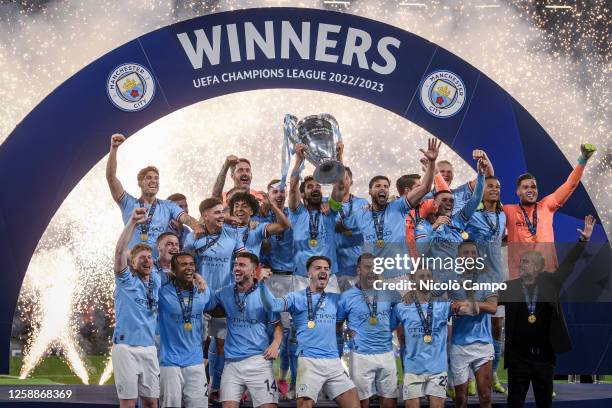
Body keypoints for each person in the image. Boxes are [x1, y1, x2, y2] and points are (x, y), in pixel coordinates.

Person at [498, 215, 595, 408]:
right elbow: (488, 299)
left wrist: (583, 241)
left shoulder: (550, 283)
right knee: (514, 403)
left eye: (527, 262)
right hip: (518, 359)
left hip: (544, 358)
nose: (521, 265)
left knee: (544, 404)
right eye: (522, 261)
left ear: (538, 267)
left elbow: (568, 265)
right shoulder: (510, 288)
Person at [260, 256, 361, 408]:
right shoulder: (296, 298)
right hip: (309, 362)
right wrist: (261, 284)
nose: (323, 271)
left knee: (353, 401)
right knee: (305, 405)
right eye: (318, 268)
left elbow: (358, 299)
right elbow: (272, 305)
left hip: (333, 363)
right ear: (309, 274)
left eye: (326, 269)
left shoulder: (337, 299)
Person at [335, 139, 441, 280]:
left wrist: (432, 163)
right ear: (370, 191)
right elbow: (337, 222)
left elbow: (424, 188)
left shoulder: (399, 206)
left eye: (385, 186)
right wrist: (339, 159)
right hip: (374, 278)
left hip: (402, 276)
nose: (382, 188)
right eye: (378, 186)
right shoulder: (361, 213)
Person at [504, 143, 596, 278]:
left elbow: (570, 185)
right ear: (518, 191)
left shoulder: (546, 206)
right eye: (525, 187)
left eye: (533, 187)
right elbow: (486, 211)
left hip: (548, 281)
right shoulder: (508, 211)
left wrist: (583, 159)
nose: (530, 190)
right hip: (519, 284)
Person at [183, 197, 244, 400]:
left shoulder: (233, 233)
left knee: (222, 345)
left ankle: (216, 388)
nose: (222, 216)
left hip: (223, 298)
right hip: (199, 297)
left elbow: (243, 260)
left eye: (223, 212)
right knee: (197, 344)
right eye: (217, 212)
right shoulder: (193, 237)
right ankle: (195, 388)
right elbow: (183, 265)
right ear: (205, 216)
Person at [393, 268, 477, 408]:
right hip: (413, 370)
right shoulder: (402, 306)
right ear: (413, 279)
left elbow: (473, 309)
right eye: (421, 276)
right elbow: (391, 329)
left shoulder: (444, 305)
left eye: (428, 276)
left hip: (437, 370)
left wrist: (467, 291)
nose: (426, 279)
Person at [209, 252, 283, 408]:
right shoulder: (224, 293)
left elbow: (277, 325)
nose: (236, 268)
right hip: (231, 365)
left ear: (253, 271)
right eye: (235, 264)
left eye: (242, 265)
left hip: (259, 361)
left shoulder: (264, 294)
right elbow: (206, 307)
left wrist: (276, 344)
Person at [106, 134, 203, 252]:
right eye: (149, 178)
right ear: (140, 183)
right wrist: (114, 149)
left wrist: (196, 226)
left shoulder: (168, 205)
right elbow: (111, 178)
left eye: (156, 178)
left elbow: (185, 218)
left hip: (158, 266)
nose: (154, 181)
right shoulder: (128, 203)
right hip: (133, 265)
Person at [111, 208, 161, 408]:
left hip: (149, 348)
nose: (147, 260)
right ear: (132, 262)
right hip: (126, 348)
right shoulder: (125, 280)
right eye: (142, 257)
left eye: (149, 257)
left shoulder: (155, 280)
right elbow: (119, 251)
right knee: (129, 403)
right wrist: (132, 223)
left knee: (150, 402)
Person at [338, 253, 400, 408]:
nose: (372, 271)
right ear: (358, 270)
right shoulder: (346, 297)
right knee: (361, 403)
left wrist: (388, 328)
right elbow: (337, 325)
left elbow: (397, 317)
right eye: (367, 267)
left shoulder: (391, 293)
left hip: (386, 353)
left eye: (376, 267)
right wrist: (346, 334)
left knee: (389, 401)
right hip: (360, 356)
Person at [464, 176, 507, 393]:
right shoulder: (472, 215)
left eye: (498, 187)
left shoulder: (503, 215)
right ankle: (469, 377)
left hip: (496, 278)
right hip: (474, 279)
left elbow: (501, 239)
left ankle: (494, 376)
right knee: (472, 323)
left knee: (497, 328)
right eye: (490, 186)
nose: (495, 189)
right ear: (482, 190)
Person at [256, 179, 296, 399]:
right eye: (275, 191)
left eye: (283, 191)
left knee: (289, 333)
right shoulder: (260, 217)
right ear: (268, 194)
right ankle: (266, 379)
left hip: (290, 278)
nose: (280, 195)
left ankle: (283, 379)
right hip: (269, 278)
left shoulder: (294, 212)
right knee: (268, 330)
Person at [288, 143, 344, 292]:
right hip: (302, 277)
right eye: (310, 187)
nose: (315, 189)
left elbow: (339, 187)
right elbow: (292, 188)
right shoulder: (297, 213)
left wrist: (339, 158)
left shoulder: (330, 212)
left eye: (318, 186)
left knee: (331, 316)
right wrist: (299, 160)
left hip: (328, 278)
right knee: (301, 316)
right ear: (302, 194)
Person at [158, 252, 211, 408]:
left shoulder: (203, 291)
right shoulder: (162, 291)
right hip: (169, 363)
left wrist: (199, 278)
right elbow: (152, 275)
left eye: (191, 264)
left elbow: (214, 317)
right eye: (183, 264)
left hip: (195, 362)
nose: (189, 268)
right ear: (173, 270)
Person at [449, 241, 498, 408]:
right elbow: (451, 307)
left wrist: (467, 304)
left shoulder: (487, 277)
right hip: (459, 345)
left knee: (485, 397)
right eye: (465, 253)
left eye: (473, 253)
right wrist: (472, 305)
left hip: (483, 344)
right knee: (461, 399)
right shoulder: (451, 280)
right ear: (458, 257)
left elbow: (492, 307)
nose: (470, 256)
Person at [396, 160, 449, 258]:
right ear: (407, 190)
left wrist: (435, 173)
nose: (423, 190)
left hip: (422, 264)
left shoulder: (424, 204)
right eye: (419, 187)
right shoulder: (391, 211)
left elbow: (445, 195)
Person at [334, 167, 369, 291]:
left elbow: (365, 226)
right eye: (338, 178)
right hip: (338, 268)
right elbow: (334, 225)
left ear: (351, 182)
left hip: (359, 267)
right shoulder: (328, 204)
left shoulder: (362, 202)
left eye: (346, 178)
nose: (342, 181)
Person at [429, 150, 494, 215]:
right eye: (442, 172)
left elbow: (487, 177)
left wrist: (484, 158)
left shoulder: (460, 194)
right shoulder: (425, 196)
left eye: (449, 172)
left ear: (452, 177)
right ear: (433, 175)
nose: (446, 174)